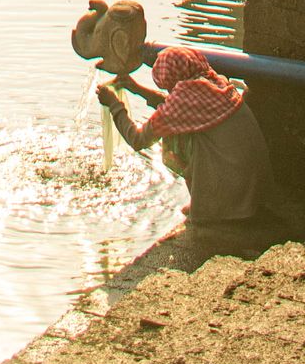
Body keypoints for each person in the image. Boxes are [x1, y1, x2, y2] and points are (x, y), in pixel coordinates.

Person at [95, 43, 274, 232]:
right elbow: (175, 108)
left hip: (233, 195)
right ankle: (206, 199)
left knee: (174, 135)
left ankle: (211, 207)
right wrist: (136, 88)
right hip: (254, 188)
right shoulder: (213, 82)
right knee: (177, 127)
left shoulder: (185, 99)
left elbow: (138, 139)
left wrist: (114, 105)